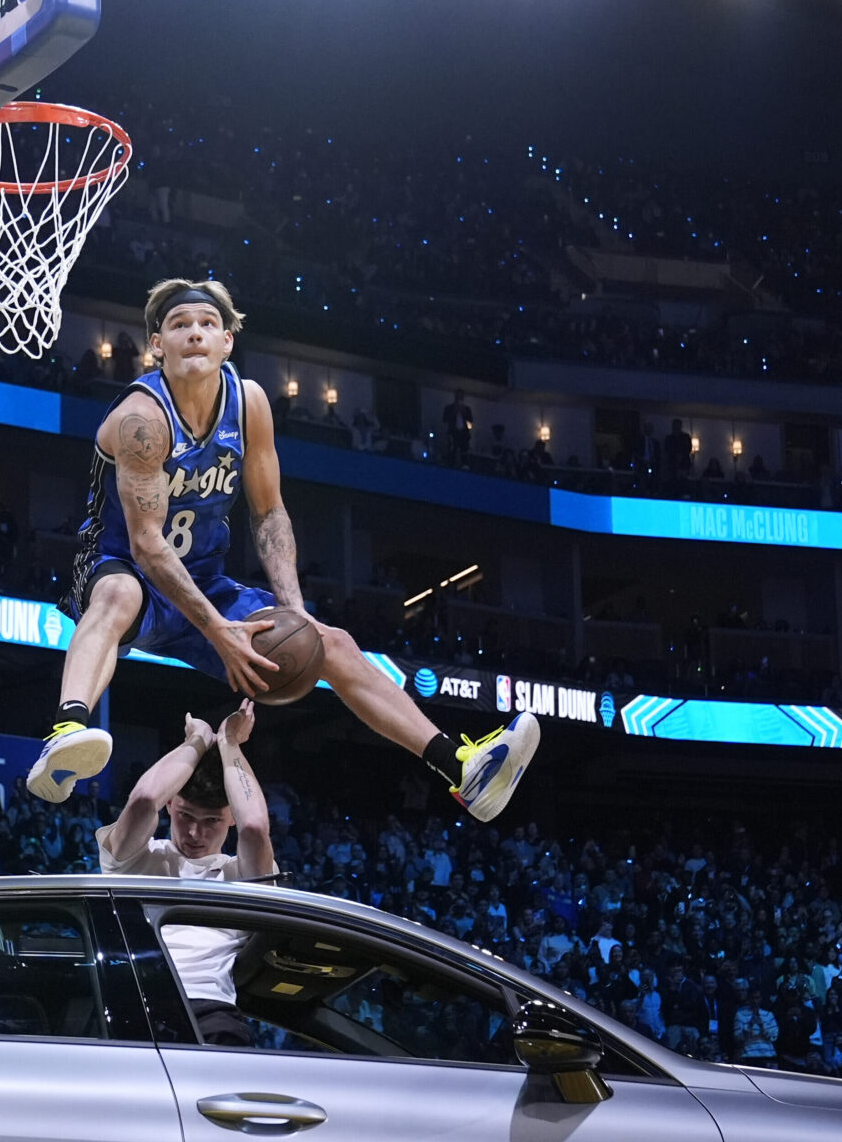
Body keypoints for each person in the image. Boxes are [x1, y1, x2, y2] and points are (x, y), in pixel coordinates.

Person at [28, 278, 539, 823]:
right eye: (179, 326)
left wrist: (294, 611)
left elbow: (269, 514)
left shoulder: (248, 405)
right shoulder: (142, 419)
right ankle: (67, 733)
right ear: (158, 345)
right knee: (120, 593)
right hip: (123, 566)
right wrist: (217, 632)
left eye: (207, 325)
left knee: (332, 644)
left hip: (203, 578)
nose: (194, 334)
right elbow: (146, 544)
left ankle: (462, 769)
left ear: (227, 342)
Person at [97, 707, 274, 1045]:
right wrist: (198, 739)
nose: (195, 832)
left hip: (211, 1016)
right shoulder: (135, 861)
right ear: (170, 805)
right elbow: (145, 798)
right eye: (185, 815)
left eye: (212, 821)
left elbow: (254, 826)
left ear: (230, 818)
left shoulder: (240, 877)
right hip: (133, 1005)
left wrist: (229, 743)